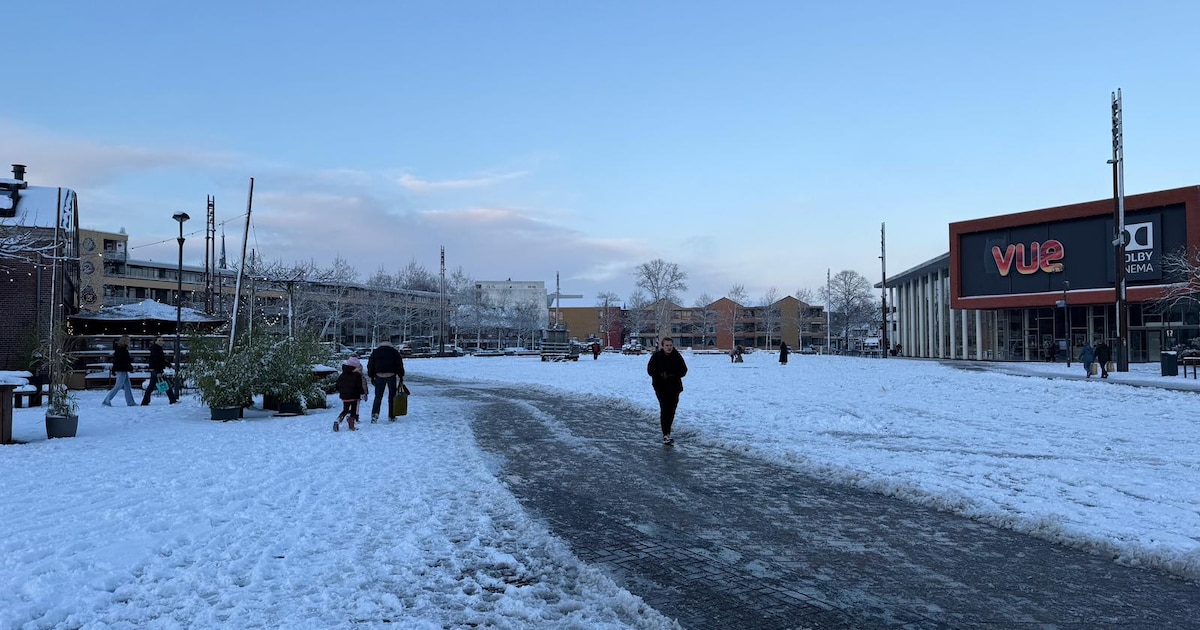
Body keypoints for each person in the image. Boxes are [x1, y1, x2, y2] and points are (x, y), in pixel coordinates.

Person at [647, 336, 687, 445]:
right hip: (661, 387)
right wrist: (660, 375)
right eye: (667, 345)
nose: (669, 347)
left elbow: (684, 370)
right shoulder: (656, 357)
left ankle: (668, 430)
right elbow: (650, 370)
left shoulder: (677, 356)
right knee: (665, 409)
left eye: (670, 345)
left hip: (674, 388)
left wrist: (673, 375)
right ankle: (666, 434)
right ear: (662, 346)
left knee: (672, 410)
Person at [367, 340, 405, 422]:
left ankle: (375, 414)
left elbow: (370, 364)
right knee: (392, 396)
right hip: (391, 375)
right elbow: (399, 364)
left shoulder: (376, 352)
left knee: (378, 396)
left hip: (379, 375)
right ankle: (391, 415)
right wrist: (401, 375)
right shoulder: (394, 351)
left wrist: (371, 376)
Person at [140, 336, 178, 405]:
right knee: (165, 385)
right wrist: (158, 371)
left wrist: (167, 364)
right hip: (157, 370)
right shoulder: (156, 350)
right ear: (155, 341)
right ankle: (172, 399)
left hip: (156, 369)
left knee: (151, 386)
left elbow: (160, 360)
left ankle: (145, 401)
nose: (161, 342)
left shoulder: (157, 349)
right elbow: (156, 361)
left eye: (162, 340)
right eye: (159, 340)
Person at [333, 358, 368, 432]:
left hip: (344, 396)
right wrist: (362, 393)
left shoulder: (343, 374)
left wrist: (341, 391)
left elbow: (337, 384)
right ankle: (351, 426)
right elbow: (359, 386)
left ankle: (338, 420)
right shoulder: (357, 375)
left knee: (345, 410)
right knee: (353, 411)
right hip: (354, 396)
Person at [102, 335, 136, 407]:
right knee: (118, 386)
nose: (128, 341)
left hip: (122, 369)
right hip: (121, 369)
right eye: (127, 340)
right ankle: (106, 401)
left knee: (127, 386)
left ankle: (130, 402)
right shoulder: (122, 349)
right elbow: (122, 361)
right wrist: (130, 368)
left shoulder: (121, 349)